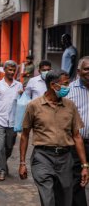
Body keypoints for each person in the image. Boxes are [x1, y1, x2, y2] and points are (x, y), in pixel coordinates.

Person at [19, 70, 89, 206]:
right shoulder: (34, 106)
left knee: (65, 200)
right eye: (65, 84)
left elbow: (77, 136)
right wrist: (22, 163)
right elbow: (25, 135)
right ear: (53, 85)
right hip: (42, 158)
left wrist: (84, 166)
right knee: (48, 199)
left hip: (65, 159)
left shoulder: (70, 106)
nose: (68, 87)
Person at [67, 56, 89, 206]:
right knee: (77, 182)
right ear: (79, 71)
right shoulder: (69, 91)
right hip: (76, 144)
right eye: (87, 69)